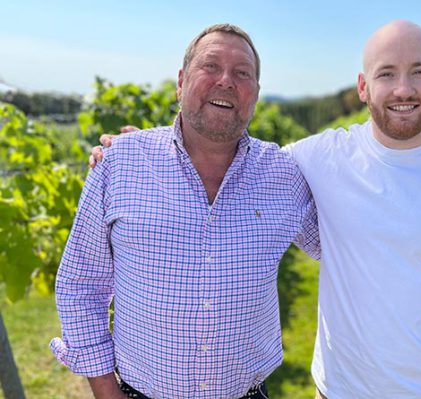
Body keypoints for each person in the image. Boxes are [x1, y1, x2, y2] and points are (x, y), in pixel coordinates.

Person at [89, 20, 421, 399]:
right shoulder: (318, 157)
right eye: (386, 73)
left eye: (419, 72)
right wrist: (141, 150)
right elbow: (228, 144)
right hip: (339, 391)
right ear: (362, 87)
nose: (403, 89)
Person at [51, 24, 321, 399]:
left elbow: (343, 247)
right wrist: (106, 391)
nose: (226, 81)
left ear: (255, 94)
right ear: (181, 82)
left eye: (242, 73)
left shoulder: (284, 174)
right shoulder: (120, 163)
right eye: (210, 66)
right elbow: (81, 286)